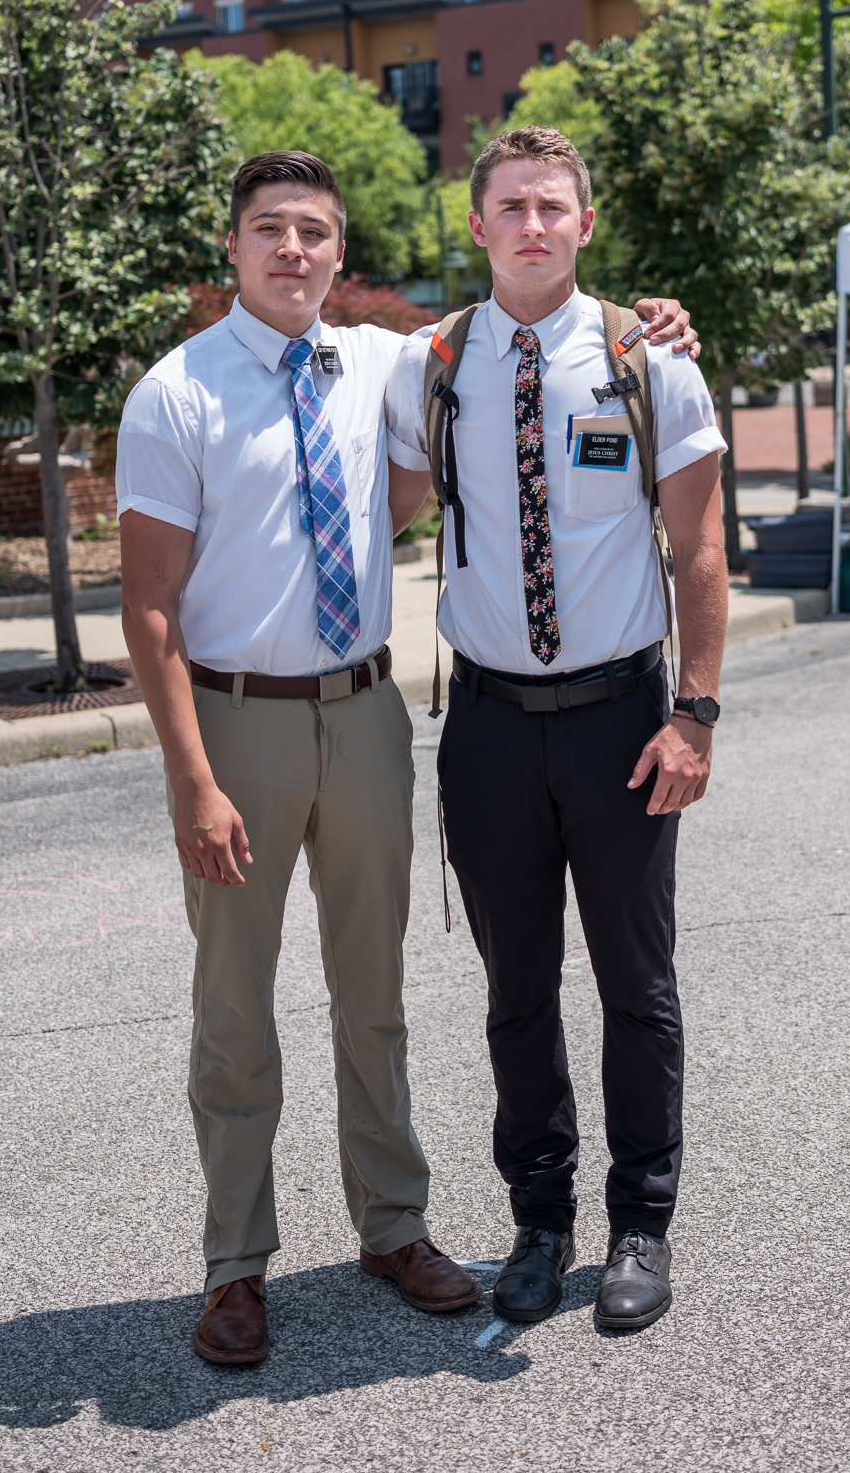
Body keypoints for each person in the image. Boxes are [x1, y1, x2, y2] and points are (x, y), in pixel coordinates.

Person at [117, 149, 697, 1367]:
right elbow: (150, 604)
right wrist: (190, 776)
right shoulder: (176, 393)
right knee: (236, 1005)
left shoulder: (394, 360)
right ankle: (236, 1263)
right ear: (232, 247)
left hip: (375, 711)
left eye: (314, 233)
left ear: (342, 255)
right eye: (268, 229)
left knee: (374, 995)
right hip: (240, 722)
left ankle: (394, 1225)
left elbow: (528, 341)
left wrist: (654, 319)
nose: (291, 250)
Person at [385, 125, 729, 1336]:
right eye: (510, 205)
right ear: (475, 225)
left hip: (622, 720)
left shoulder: (648, 361)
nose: (532, 223)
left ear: (584, 223)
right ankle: (541, 1219)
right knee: (514, 989)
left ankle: (643, 1219)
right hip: (485, 725)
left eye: (553, 205)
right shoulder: (425, 364)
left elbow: (697, 550)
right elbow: (380, 489)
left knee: (637, 985)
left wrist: (695, 712)